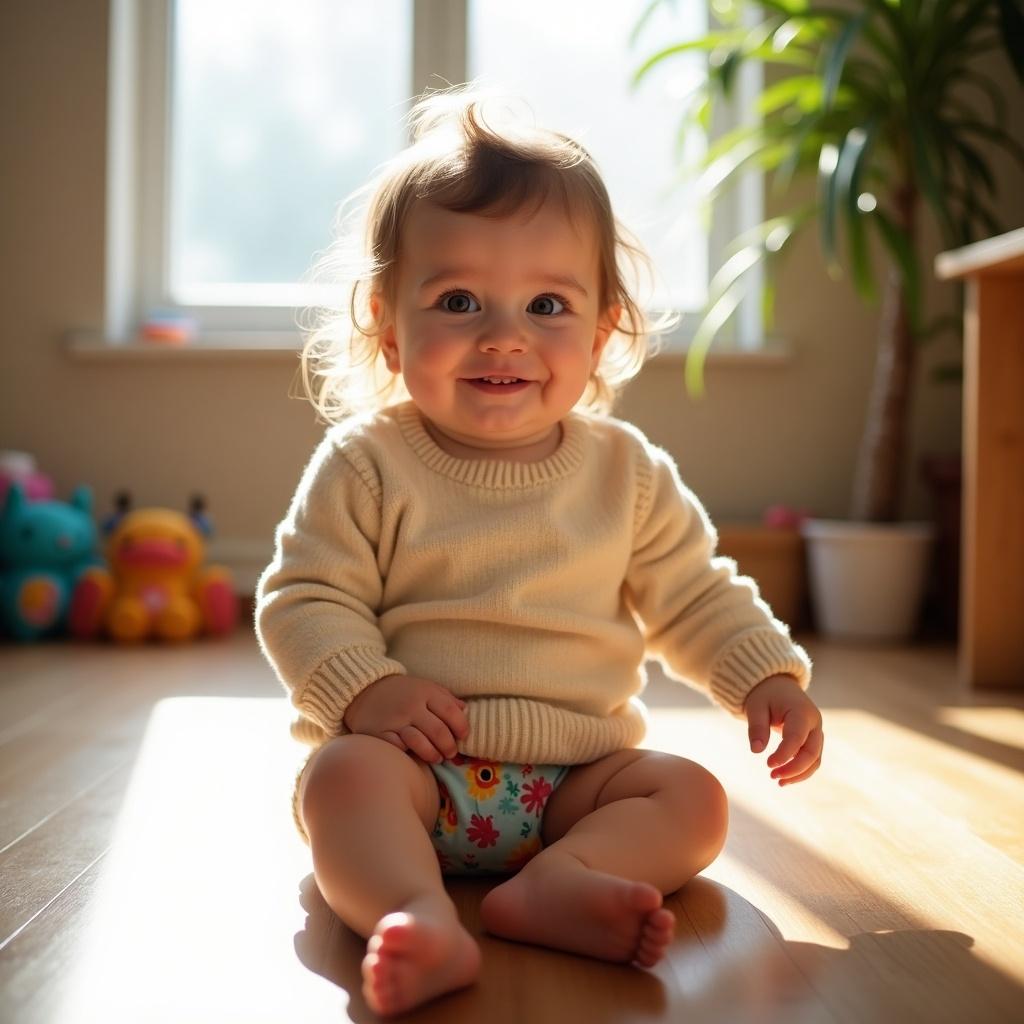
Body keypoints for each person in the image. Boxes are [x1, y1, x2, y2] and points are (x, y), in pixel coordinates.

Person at [256, 84, 823, 1018]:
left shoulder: (626, 472)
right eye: (460, 299)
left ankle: (561, 883)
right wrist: (364, 691)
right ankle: (414, 914)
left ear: (603, 331)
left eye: (548, 303)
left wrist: (764, 676)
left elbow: (694, 593)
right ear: (388, 327)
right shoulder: (369, 462)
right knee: (339, 780)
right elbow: (302, 596)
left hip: (577, 779)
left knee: (693, 800)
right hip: (414, 771)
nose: (504, 335)